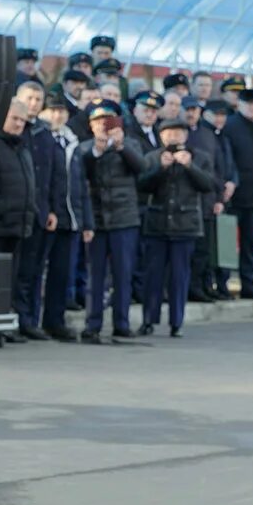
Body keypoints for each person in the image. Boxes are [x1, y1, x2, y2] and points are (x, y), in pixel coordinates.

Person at [70, 99, 144, 343]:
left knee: (123, 275)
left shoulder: (130, 143)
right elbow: (80, 171)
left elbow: (140, 167)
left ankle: (121, 323)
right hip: (97, 219)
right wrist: (97, 151)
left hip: (124, 218)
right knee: (95, 276)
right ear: (91, 126)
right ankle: (93, 324)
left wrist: (121, 147)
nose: (103, 126)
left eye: (108, 121)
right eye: (98, 122)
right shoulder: (85, 148)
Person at [138, 115, 213, 337]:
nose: (174, 137)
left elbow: (208, 184)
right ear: (161, 136)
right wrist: (160, 169)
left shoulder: (200, 157)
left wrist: (189, 166)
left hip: (186, 225)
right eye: (169, 133)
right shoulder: (152, 157)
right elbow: (142, 185)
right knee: (153, 276)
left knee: (179, 277)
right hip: (157, 224)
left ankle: (176, 322)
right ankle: (148, 320)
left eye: (179, 133)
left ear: (186, 136)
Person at [8, 80, 65, 340]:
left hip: (41, 212)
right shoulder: (10, 129)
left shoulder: (45, 132)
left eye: (37, 99)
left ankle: (30, 319)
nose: (33, 104)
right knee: (16, 271)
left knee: (33, 270)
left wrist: (53, 209)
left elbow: (54, 174)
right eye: (29, 98)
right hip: (15, 213)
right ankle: (15, 318)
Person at [0, 97, 37, 343]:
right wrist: (1, 211)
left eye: (22, 121)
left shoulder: (21, 145)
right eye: (14, 118)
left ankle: (2, 324)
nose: (18, 124)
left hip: (18, 224)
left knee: (10, 280)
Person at [220, 88, 253, 299]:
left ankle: (248, 286)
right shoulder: (230, 127)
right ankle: (222, 286)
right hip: (233, 197)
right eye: (249, 104)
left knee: (250, 245)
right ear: (239, 104)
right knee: (227, 245)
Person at [40, 90, 81, 340]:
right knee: (34, 273)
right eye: (53, 109)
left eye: (62, 110)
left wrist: (83, 219)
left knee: (61, 272)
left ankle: (55, 320)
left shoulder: (72, 141)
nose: (58, 115)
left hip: (69, 216)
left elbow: (80, 184)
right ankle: (30, 319)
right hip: (46, 214)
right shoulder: (39, 137)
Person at [185, 97, 231, 302]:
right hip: (185, 202)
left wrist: (219, 198)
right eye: (188, 109)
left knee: (205, 250)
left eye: (195, 110)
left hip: (208, 201)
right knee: (189, 251)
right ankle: (190, 287)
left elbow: (218, 169)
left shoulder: (208, 135)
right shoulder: (176, 134)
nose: (191, 113)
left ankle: (203, 285)